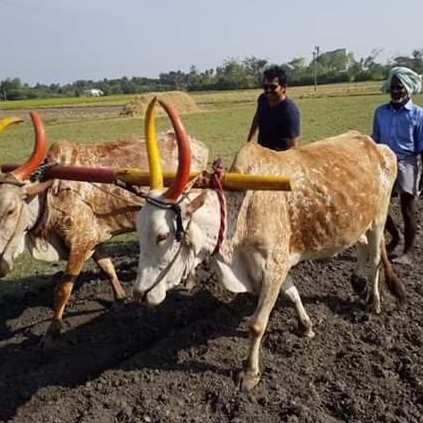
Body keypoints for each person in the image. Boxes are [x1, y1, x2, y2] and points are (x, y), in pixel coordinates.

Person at [372, 66, 423, 265]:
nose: (396, 91)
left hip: (406, 163)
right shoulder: (380, 112)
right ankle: (394, 237)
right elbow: (374, 140)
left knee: (408, 208)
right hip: (383, 162)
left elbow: (421, 146)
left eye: (400, 88)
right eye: (393, 87)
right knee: (378, 206)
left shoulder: (418, 114)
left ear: (408, 89)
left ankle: (408, 252)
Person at [247, 65, 300, 151]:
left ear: (283, 88)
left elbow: (293, 145)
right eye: (265, 87)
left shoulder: (289, 112)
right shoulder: (262, 99)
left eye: (273, 87)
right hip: (262, 153)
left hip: (279, 157)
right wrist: (249, 141)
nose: (268, 90)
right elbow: (257, 117)